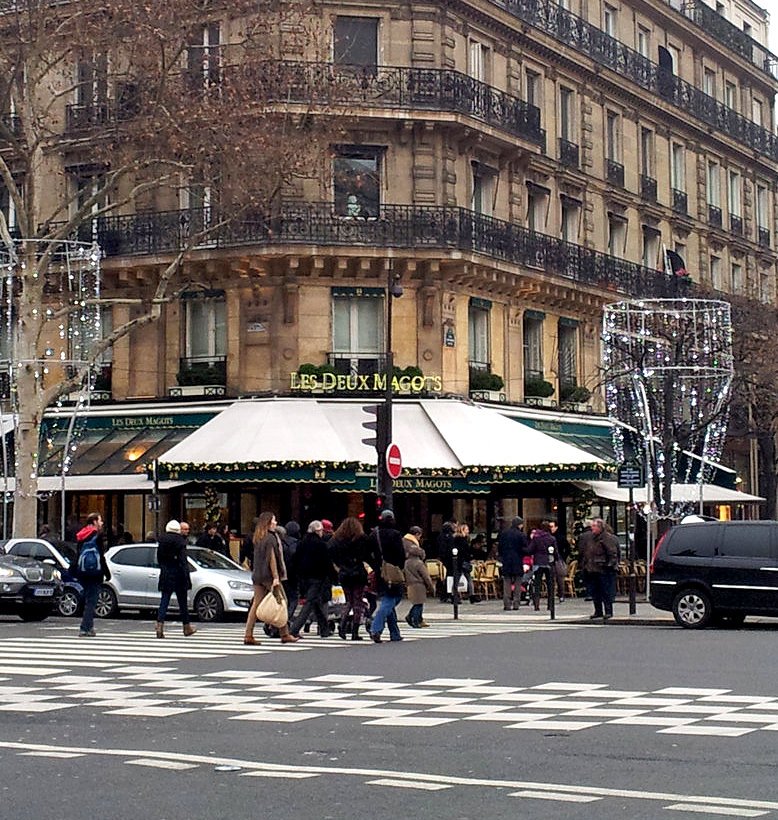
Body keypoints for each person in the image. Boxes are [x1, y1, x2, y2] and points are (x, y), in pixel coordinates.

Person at [243, 511, 299, 645]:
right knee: (282, 601)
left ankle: (248, 635)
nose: (275, 523)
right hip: (269, 576)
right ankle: (284, 633)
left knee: (256, 605)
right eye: (274, 520)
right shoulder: (271, 538)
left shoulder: (258, 537)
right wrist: (276, 577)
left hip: (257, 575)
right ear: (268, 522)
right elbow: (272, 558)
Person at [289, 521, 336, 638]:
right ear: (317, 531)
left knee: (315, 603)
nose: (322, 533)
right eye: (321, 531)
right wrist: (334, 577)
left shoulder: (301, 543)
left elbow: (295, 560)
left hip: (304, 578)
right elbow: (327, 563)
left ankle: (324, 629)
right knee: (310, 603)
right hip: (318, 578)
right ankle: (294, 629)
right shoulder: (321, 545)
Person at [328, 516, 372, 641]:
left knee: (348, 601)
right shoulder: (362, 539)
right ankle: (355, 631)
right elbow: (368, 555)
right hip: (358, 572)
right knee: (357, 602)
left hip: (344, 573)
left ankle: (342, 625)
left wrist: (339, 564)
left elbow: (330, 551)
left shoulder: (337, 539)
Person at [368, 509, 405, 643]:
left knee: (388, 598)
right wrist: (399, 567)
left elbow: (367, 553)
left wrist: (376, 565)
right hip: (393, 570)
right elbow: (401, 554)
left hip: (380, 571)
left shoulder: (374, 534)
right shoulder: (395, 534)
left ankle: (395, 633)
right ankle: (375, 628)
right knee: (391, 599)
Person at [156, 520, 196, 638]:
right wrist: (187, 577)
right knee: (182, 602)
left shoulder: (162, 540)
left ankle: (160, 625)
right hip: (179, 574)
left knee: (164, 600)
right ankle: (186, 626)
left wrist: (164, 567)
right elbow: (183, 561)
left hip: (166, 572)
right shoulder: (180, 541)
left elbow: (159, 558)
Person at [75, 512, 110, 637]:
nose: (102, 523)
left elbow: (78, 555)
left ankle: (88, 626)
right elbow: (101, 556)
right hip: (95, 572)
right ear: (94, 521)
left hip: (83, 571)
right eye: (100, 520)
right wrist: (107, 573)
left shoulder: (81, 535)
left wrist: (75, 570)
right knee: (92, 601)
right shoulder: (97, 536)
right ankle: (85, 628)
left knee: (87, 599)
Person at [581, 518, 619, 620]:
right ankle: (598, 611)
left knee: (605, 592)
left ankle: (608, 611)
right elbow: (586, 552)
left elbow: (612, 554)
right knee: (595, 592)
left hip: (603, 569)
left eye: (594, 526)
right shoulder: (590, 538)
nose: (591, 528)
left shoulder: (607, 538)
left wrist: (608, 565)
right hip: (592, 568)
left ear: (600, 527)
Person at [403, 527, 434, 628]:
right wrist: (431, 587)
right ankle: (415, 620)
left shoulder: (407, 563)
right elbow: (426, 576)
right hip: (419, 584)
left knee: (416, 603)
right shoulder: (419, 563)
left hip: (410, 583)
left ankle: (413, 618)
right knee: (419, 604)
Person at [497, 516, 528, 610]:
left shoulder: (504, 534)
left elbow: (500, 548)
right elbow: (525, 548)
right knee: (518, 583)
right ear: (519, 525)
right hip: (517, 560)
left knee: (507, 582)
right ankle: (516, 603)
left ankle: (507, 603)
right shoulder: (521, 535)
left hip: (506, 561)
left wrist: (502, 557)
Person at [527, 521, 557, 611]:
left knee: (537, 584)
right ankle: (550, 605)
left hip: (538, 562)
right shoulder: (552, 538)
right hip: (548, 562)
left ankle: (537, 605)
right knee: (550, 584)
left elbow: (530, 549)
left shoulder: (536, 538)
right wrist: (556, 559)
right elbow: (555, 551)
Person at [544, 516, 570, 602]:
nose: (550, 529)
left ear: (556, 527)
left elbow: (567, 548)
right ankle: (552, 594)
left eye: (552, 526)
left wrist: (563, 557)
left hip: (558, 559)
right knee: (550, 578)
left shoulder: (560, 537)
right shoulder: (547, 537)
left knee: (559, 578)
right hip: (549, 559)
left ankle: (560, 594)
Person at [453, 522, 478, 603]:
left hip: (458, 562)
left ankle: (455, 596)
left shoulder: (455, 540)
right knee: (468, 579)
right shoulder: (463, 541)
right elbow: (465, 552)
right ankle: (471, 595)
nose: (468, 531)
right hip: (463, 562)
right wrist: (470, 558)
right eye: (466, 529)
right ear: (462, 530)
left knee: (457, 580)